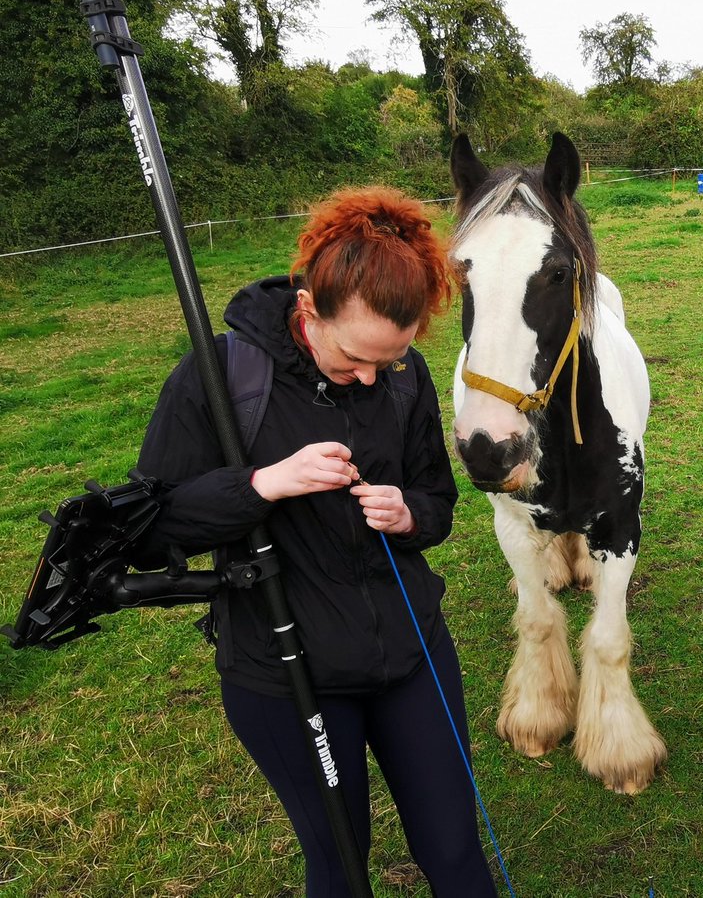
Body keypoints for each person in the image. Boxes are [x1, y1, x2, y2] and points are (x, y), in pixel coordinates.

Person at [135, 186, 496, 896]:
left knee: (455, 851)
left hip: (412, 651)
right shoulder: (221, 378)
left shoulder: (405, 376)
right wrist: (263, 484)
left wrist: (409, 514)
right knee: (340, 865)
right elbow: (151, 531)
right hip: (284, 673)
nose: (369, 377)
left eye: (389, 360)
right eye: (353, 358)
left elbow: (438, 504)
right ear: (308, 310)